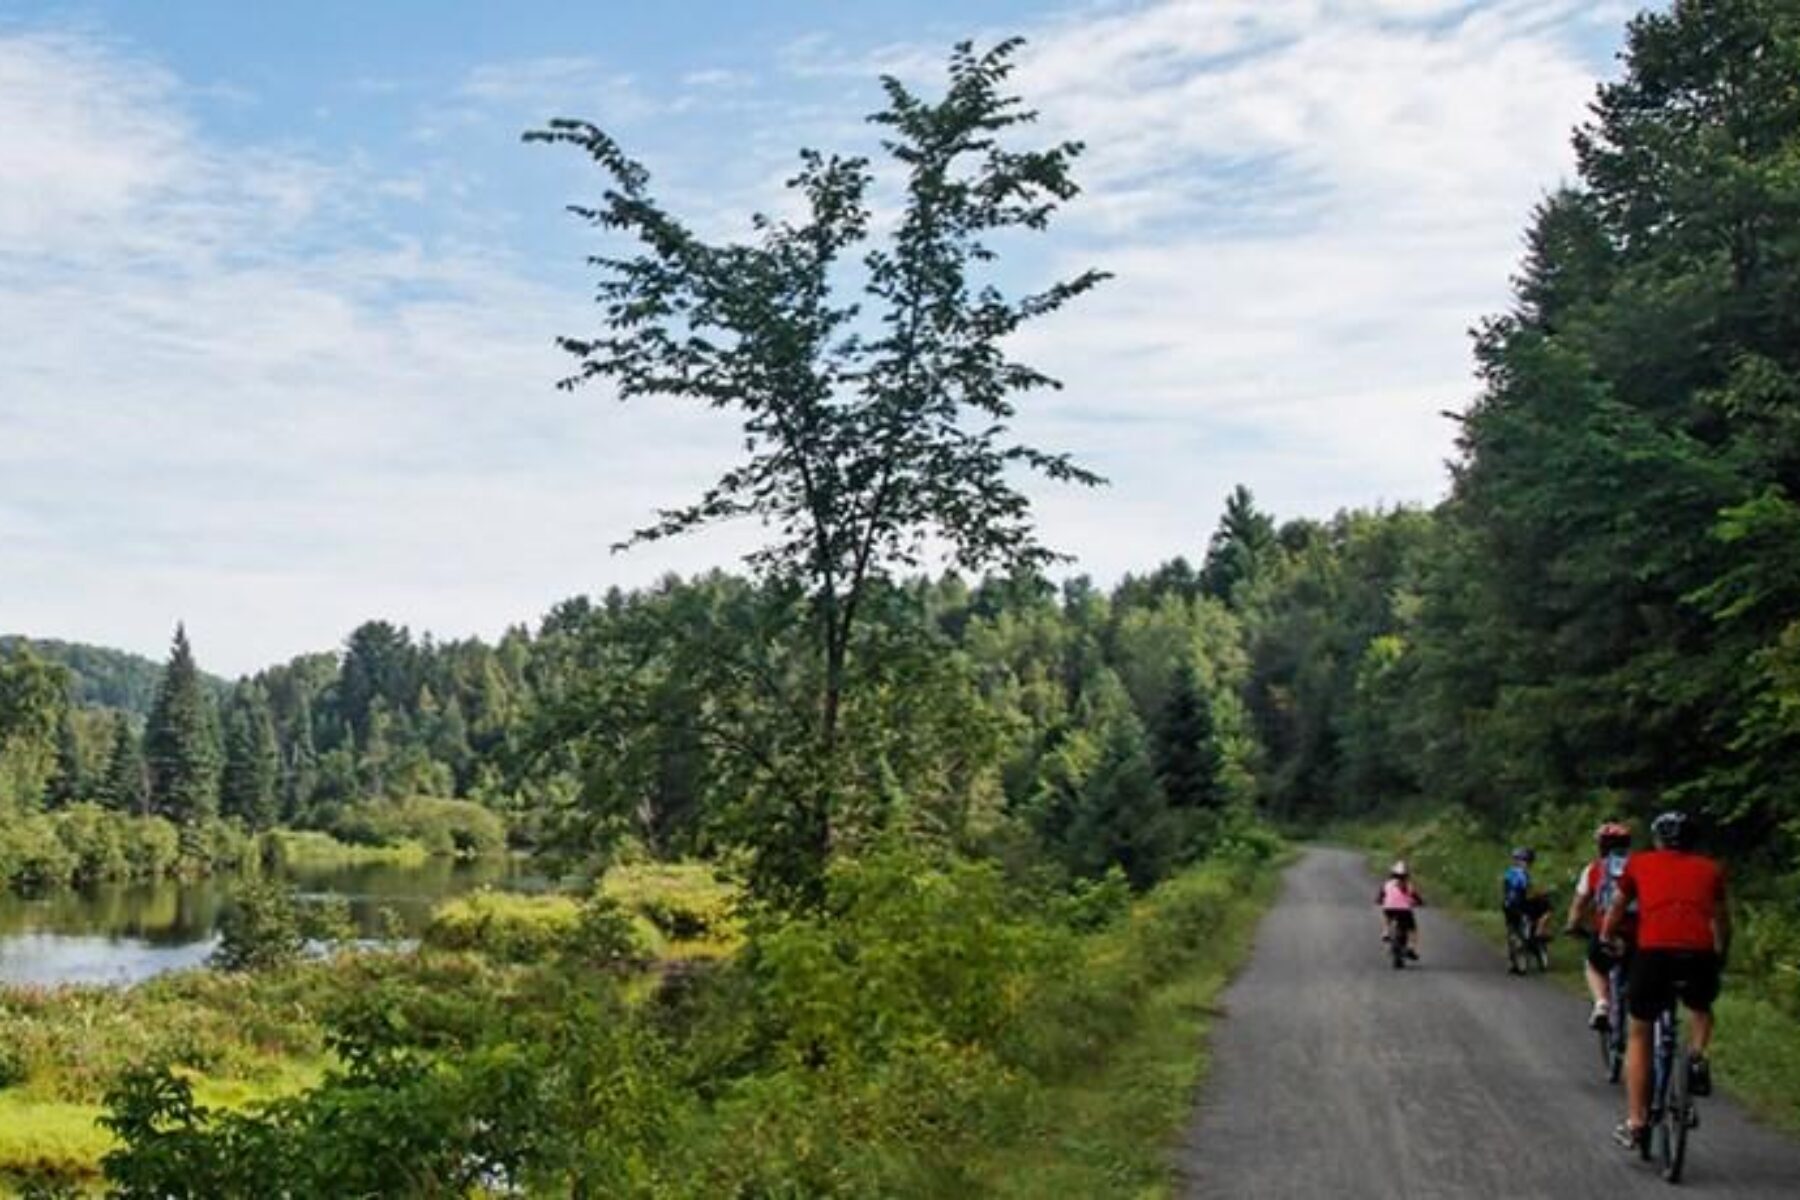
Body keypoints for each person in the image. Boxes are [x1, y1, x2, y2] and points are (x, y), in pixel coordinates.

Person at [1603, 810, 1730, 1152]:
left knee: (1640, 1030)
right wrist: (1719, 954)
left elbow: (1617, 906)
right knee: (1701, 1007)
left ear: (1658, 840)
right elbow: (1721, 919)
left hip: (1653, 953)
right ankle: (1699, 1055)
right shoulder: (1711, 869)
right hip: (1698, 954)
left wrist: (1606, 935)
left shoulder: (1640, 864)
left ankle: (1636, 1123)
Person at [1566, 821, 1634, 1029]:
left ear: (1601, 846)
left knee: (1593, 964)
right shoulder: (1640, 865)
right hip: (1638, 932)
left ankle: (1602, 1004)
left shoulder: (1594, 869)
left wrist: (1573, 925)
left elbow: (1579, 904)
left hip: (1607, 931)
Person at [1501, 847, 1551, 973]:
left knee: (1511, 929)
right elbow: (1527, 892)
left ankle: (1512, 961)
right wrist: (1541, 893)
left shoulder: (1508, 873)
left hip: (1507, 906)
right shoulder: (1522, 874)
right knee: (1547, 908)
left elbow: (1506, 891)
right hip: (1521, 905)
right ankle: (1539, 931)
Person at [1376, 861, 1424, 960]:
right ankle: (1412, 948)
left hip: (1389, 908)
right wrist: (1419, 902)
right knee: (1413, 929)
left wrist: (1380, 901)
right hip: (1404, 910)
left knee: (1387, 915)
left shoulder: (1387, 884)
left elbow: (1380, 897)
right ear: (1406, 875)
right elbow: (1417, 899)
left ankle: (1386, 931)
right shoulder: (1409, 886)